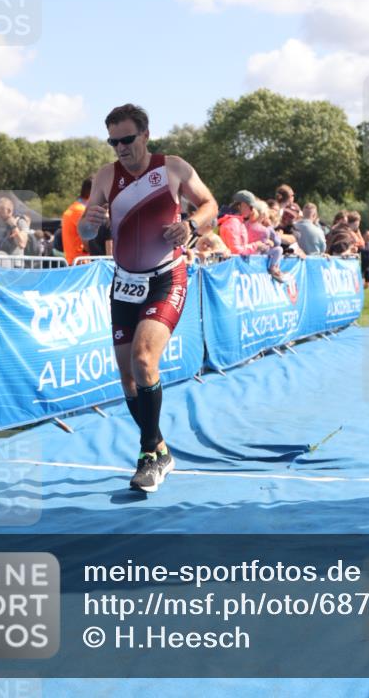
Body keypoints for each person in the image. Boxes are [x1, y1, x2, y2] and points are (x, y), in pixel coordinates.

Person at [79, 104, 217, 493]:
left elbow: (210, 205)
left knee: (143, 360)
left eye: (126, 139)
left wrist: (189, 224)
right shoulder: (106, 176)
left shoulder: (173, 167)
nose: (120, 147)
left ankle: (146, 457)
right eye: (113, 141)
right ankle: (161, 449)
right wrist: (88, 223)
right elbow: (88, 225)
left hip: (165, 278)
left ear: (145, 135)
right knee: (127, 377)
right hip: (124, 282)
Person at [62, 178, 92, 265]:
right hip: (80, 263)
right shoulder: (80, 210)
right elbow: (87, 240)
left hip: (76, 261)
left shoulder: (75, 208)